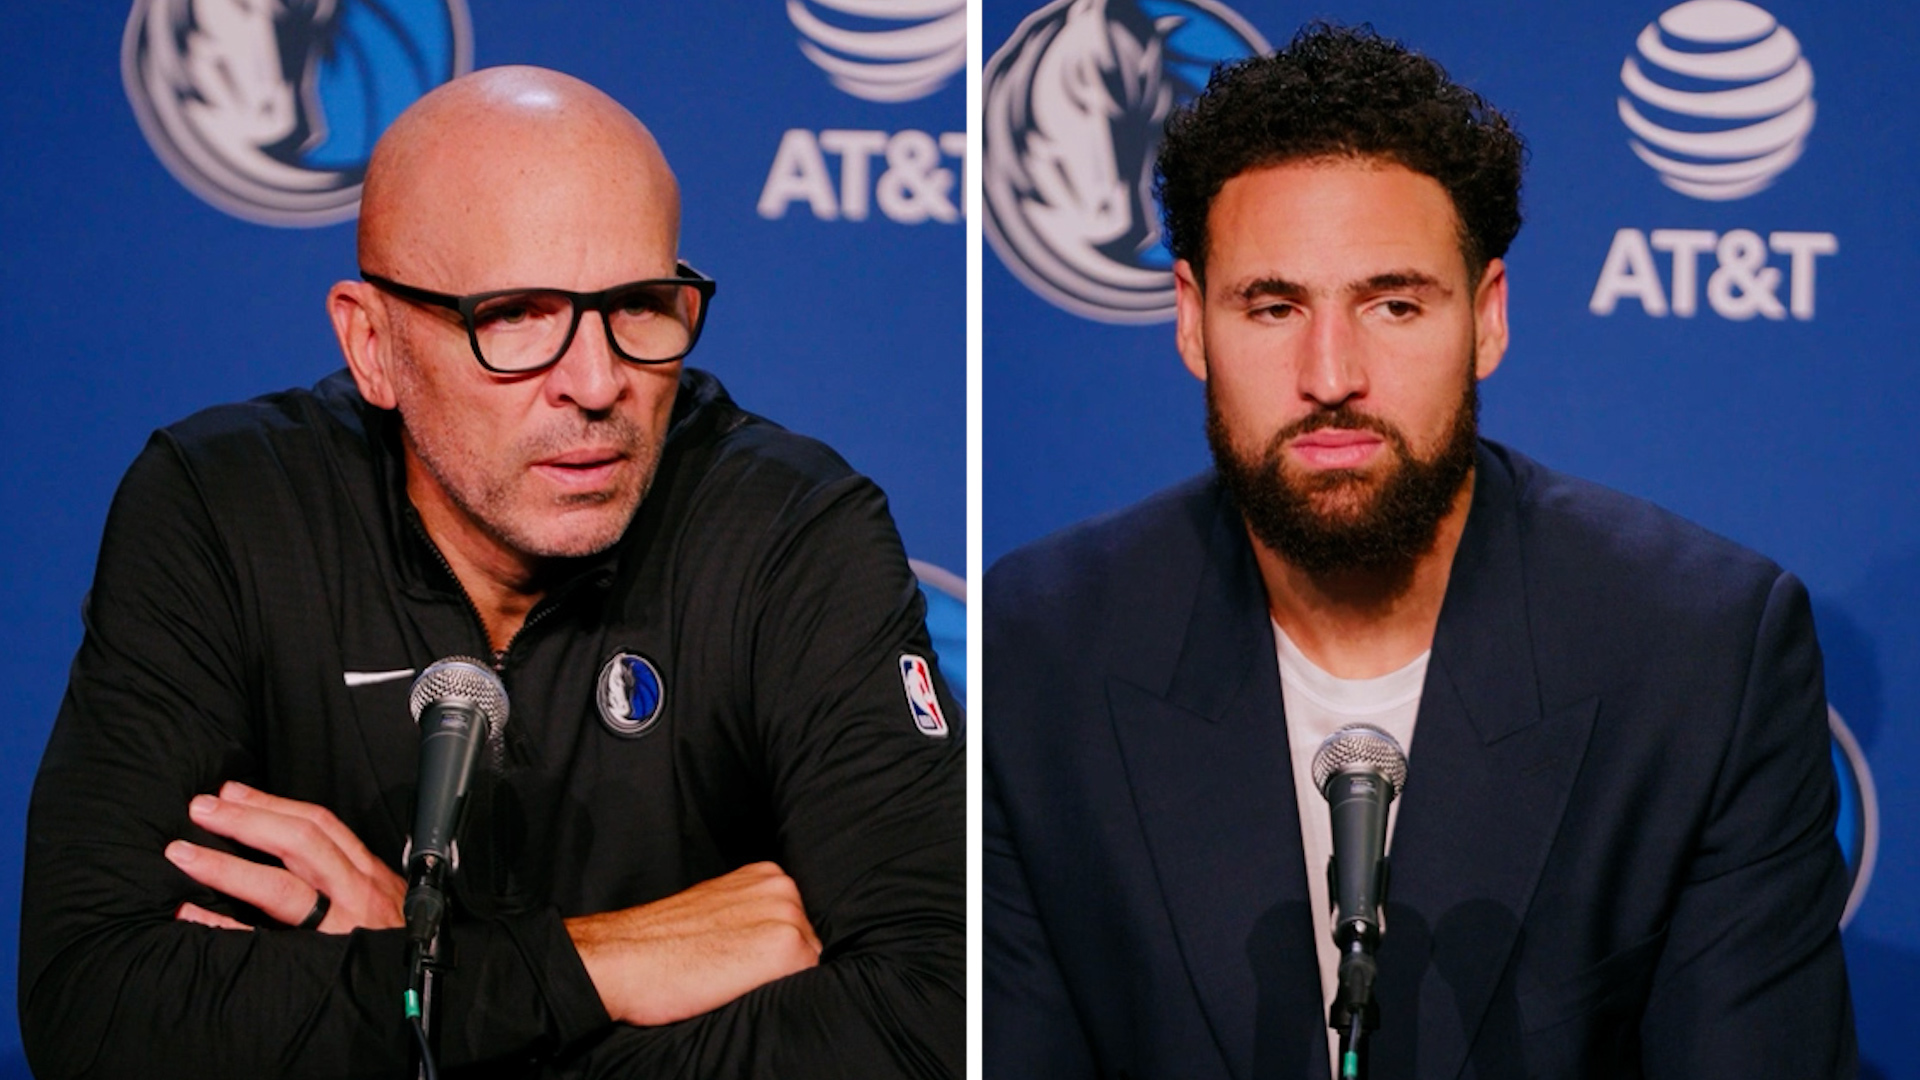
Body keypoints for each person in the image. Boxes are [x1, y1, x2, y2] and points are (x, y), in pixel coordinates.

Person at [22, 66, 963, 1079]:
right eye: (516, 315)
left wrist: (413, 995)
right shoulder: (226, 512)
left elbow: (937, 1015)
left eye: (641, 305)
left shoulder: (791, 534)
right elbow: (100, 1009)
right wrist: (587, 967)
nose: (599, 383)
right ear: (371, 344)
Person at [984, 24, 1854, 1080]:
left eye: (1393, 304)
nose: (1332, 372)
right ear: (1188, 322)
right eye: (1272, 306)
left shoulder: (1700, 657)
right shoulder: (1040, 653)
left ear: (1486, 319)